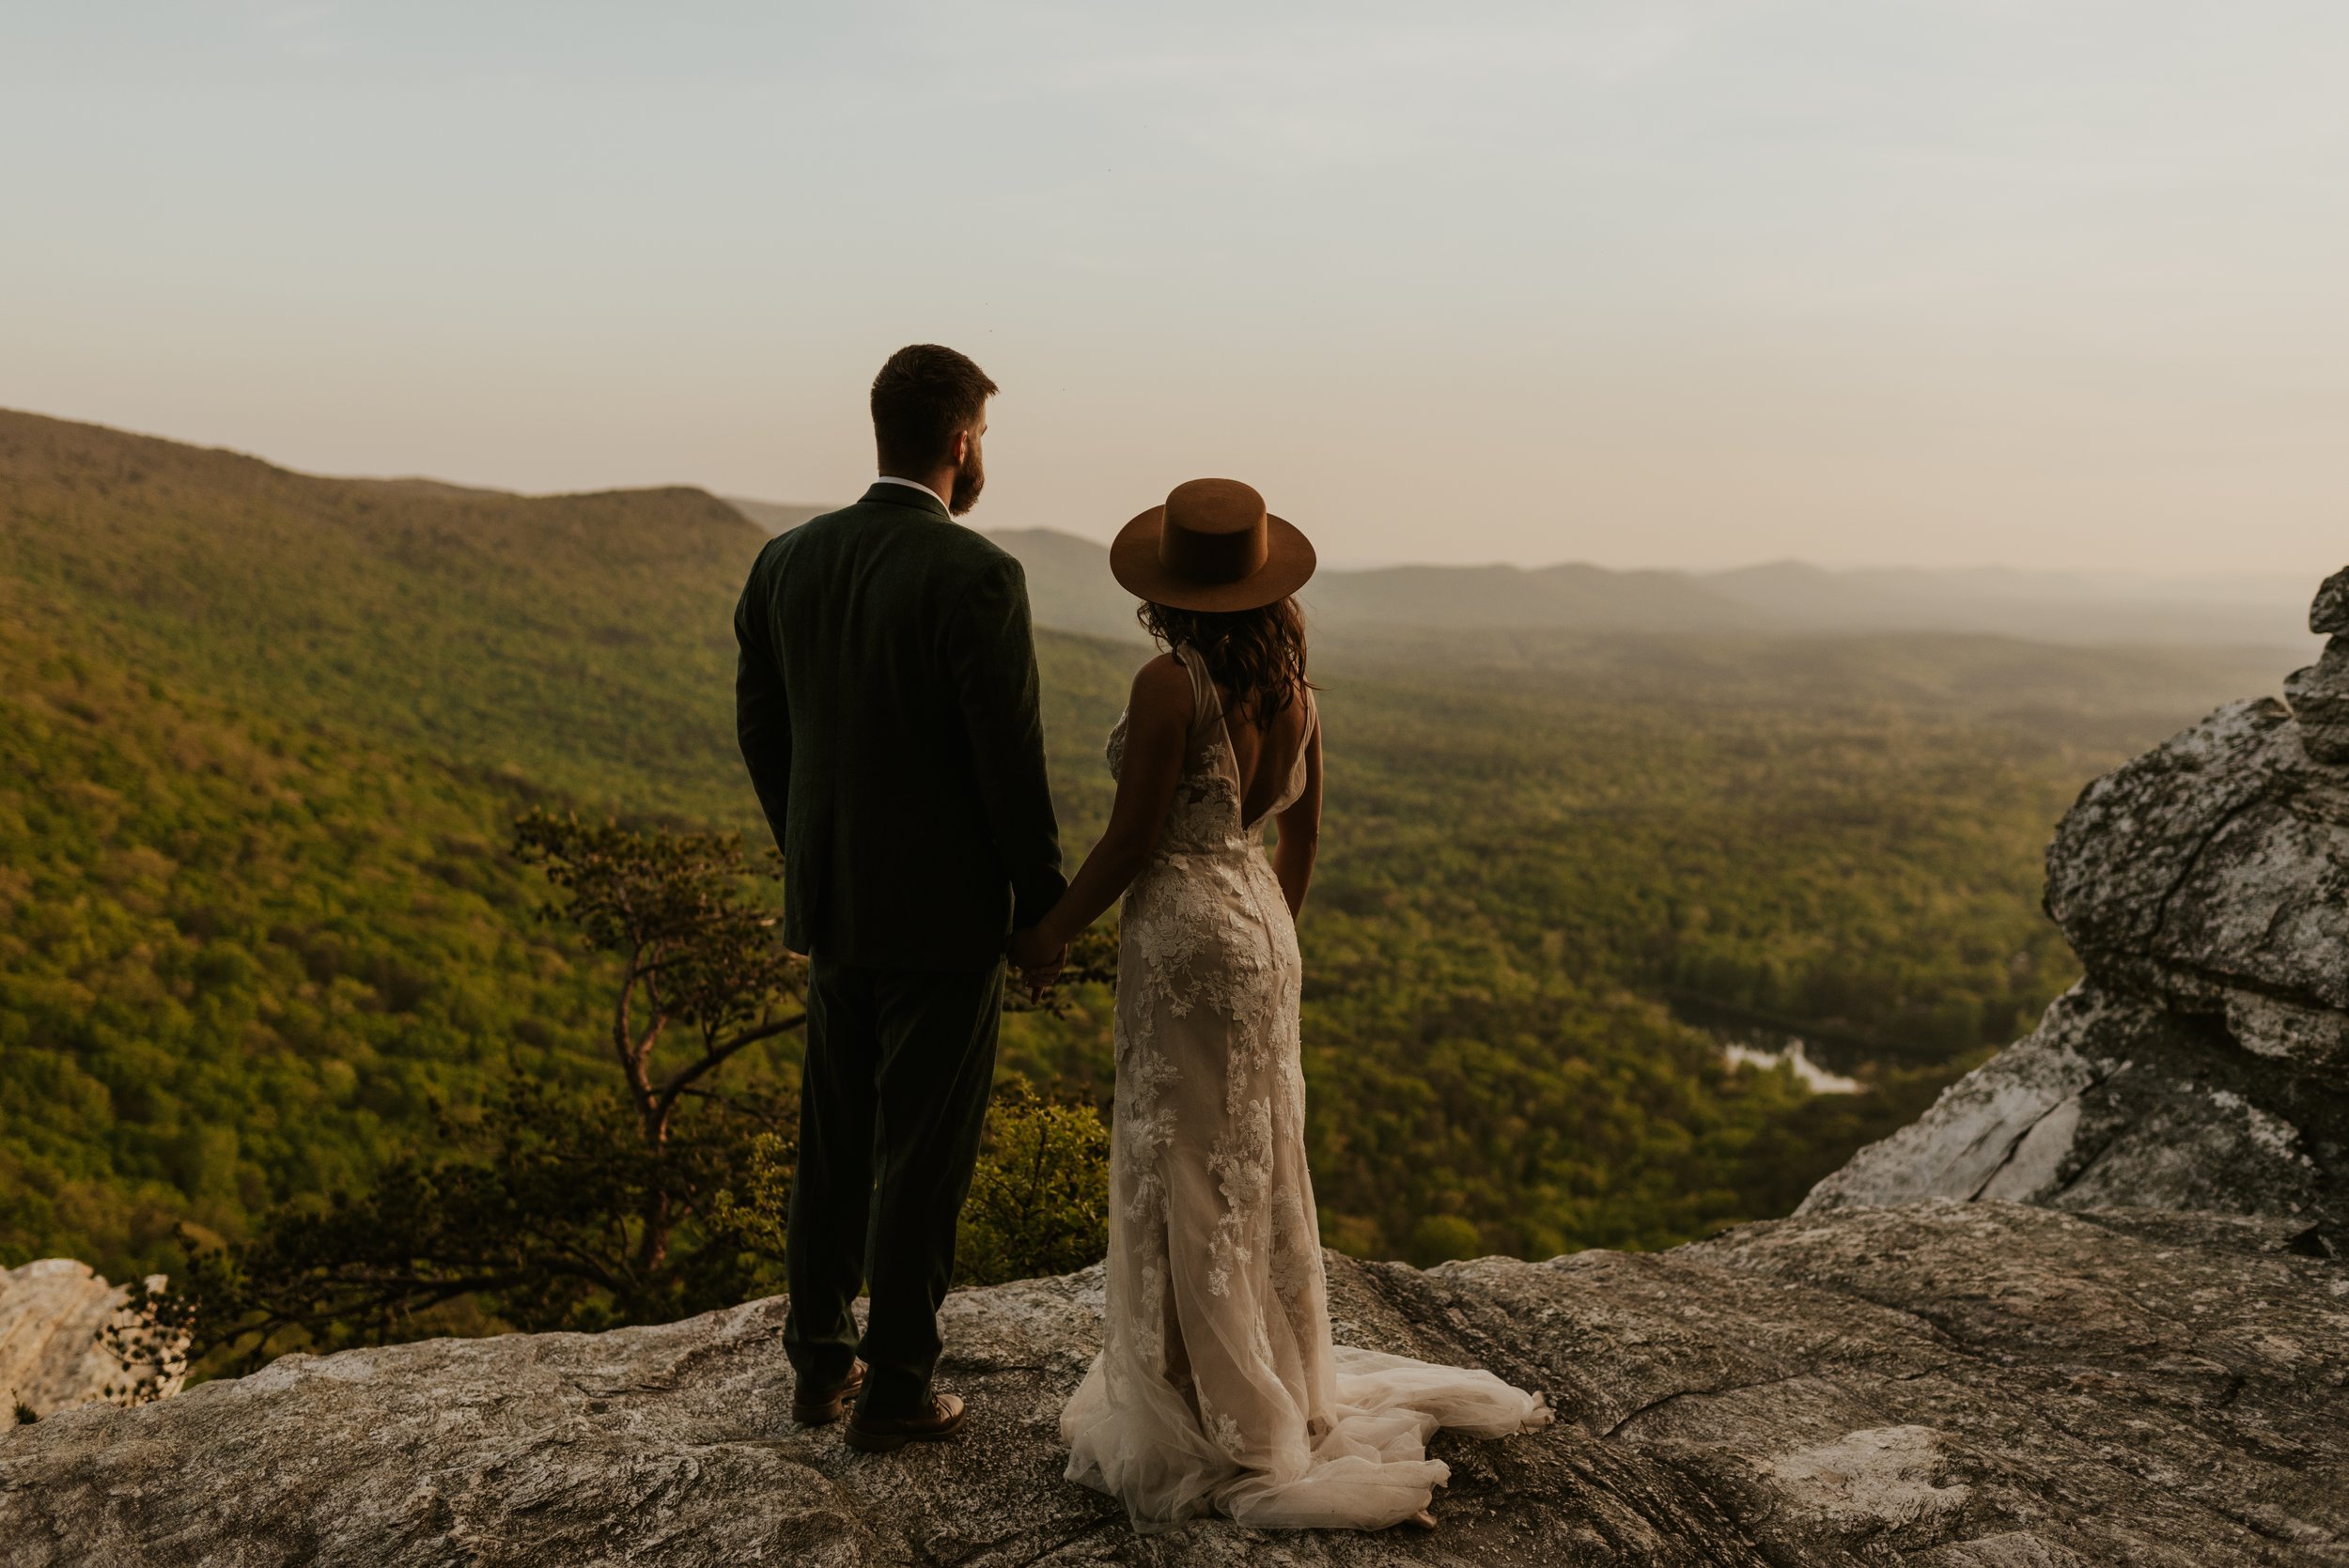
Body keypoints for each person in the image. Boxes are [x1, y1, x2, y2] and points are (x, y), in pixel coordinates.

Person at [1016, 478, 1550, 1531]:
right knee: (1255, 1156)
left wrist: (1052, 929)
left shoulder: (1172, 683)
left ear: (1169, 587)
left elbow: (1131, 839)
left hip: (1183, 930)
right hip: (1261, 922)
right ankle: (1274, 1379)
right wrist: (1270, 945)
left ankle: (1213, 1403)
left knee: (1185, 1160)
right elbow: (1297, 840)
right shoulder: (1298, 694)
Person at [734, 344, 1067, 1454]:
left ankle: (817, 1366)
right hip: (944, 916)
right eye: (986, 437)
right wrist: (1040, 907)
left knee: (833, 1140)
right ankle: (899, 1385)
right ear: (963, 441)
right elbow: (1006, 764)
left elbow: (763, 727)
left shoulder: (786, 560)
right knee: (923, 1152)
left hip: (832, 903)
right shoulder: (978, 576)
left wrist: (810, 850)